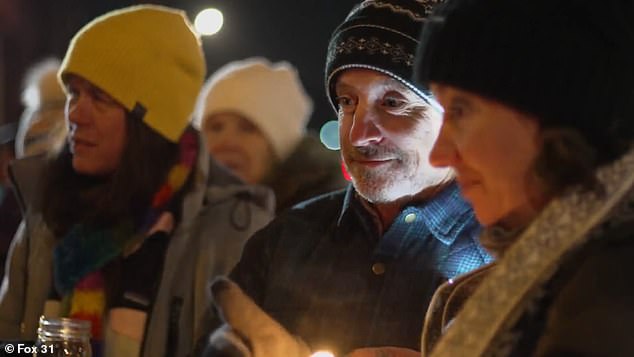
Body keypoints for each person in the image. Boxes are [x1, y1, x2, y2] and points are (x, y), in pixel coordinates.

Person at [202, 1, 491, 356]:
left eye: (393, 103)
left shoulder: (507, 251)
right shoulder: (286, 239)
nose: (358, 134)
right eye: (347, 102)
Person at [0, 5, 273, 357]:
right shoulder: (48, 212)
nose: (74, 114)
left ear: (151, 124)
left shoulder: (231, 231)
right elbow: (6, 338)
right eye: (74, 93)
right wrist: (31, 351)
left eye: (99, 97)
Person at [412, 0, 634, 356]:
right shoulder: (562, 272)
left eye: (460, 110)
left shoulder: (609, 296)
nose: (439, 155)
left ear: (557, 108)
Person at [196, 57, 347, 213]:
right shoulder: (179, 210)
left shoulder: (317, 221)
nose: (227, 140)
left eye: (247, 128)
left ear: (280, 148)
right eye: (216, 127)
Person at [14, 57, 67, 159]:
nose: (48, 114)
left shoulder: (69, 125)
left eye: (56, 105)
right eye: (46, 107)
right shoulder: (31, 121)